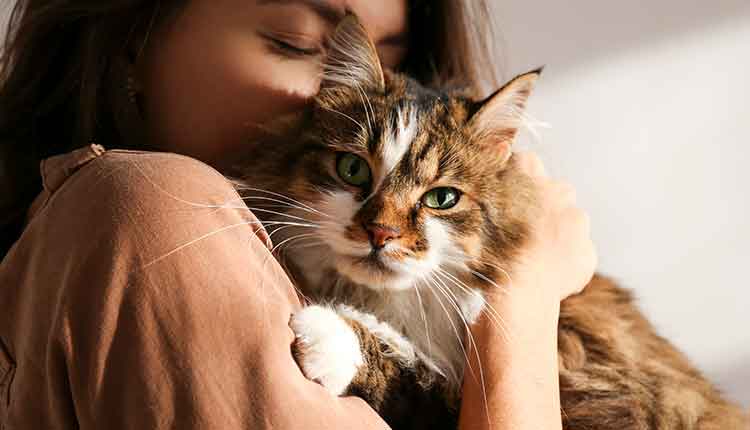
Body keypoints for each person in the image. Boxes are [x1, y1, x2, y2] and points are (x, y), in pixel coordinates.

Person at [0, 0, 596, 429]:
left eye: (393, 58)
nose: (346, 96)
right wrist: (524, 301)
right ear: (130, 39)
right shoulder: (154, 207)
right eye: (300, 44)